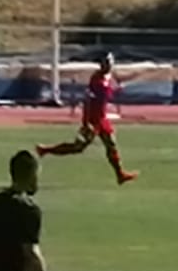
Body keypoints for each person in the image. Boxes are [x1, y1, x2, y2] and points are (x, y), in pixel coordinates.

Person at [37, 51, 136, 184]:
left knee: (111, 144)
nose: (110, 65)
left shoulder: (106, 77)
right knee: (78, 147)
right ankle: (45, 150)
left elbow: (107, 94)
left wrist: (117, 88)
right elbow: (88, 101)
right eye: (108, 62)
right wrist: (86, 122)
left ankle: (120, 174)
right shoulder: (98, 81)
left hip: (102, 119)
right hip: (93, 121)